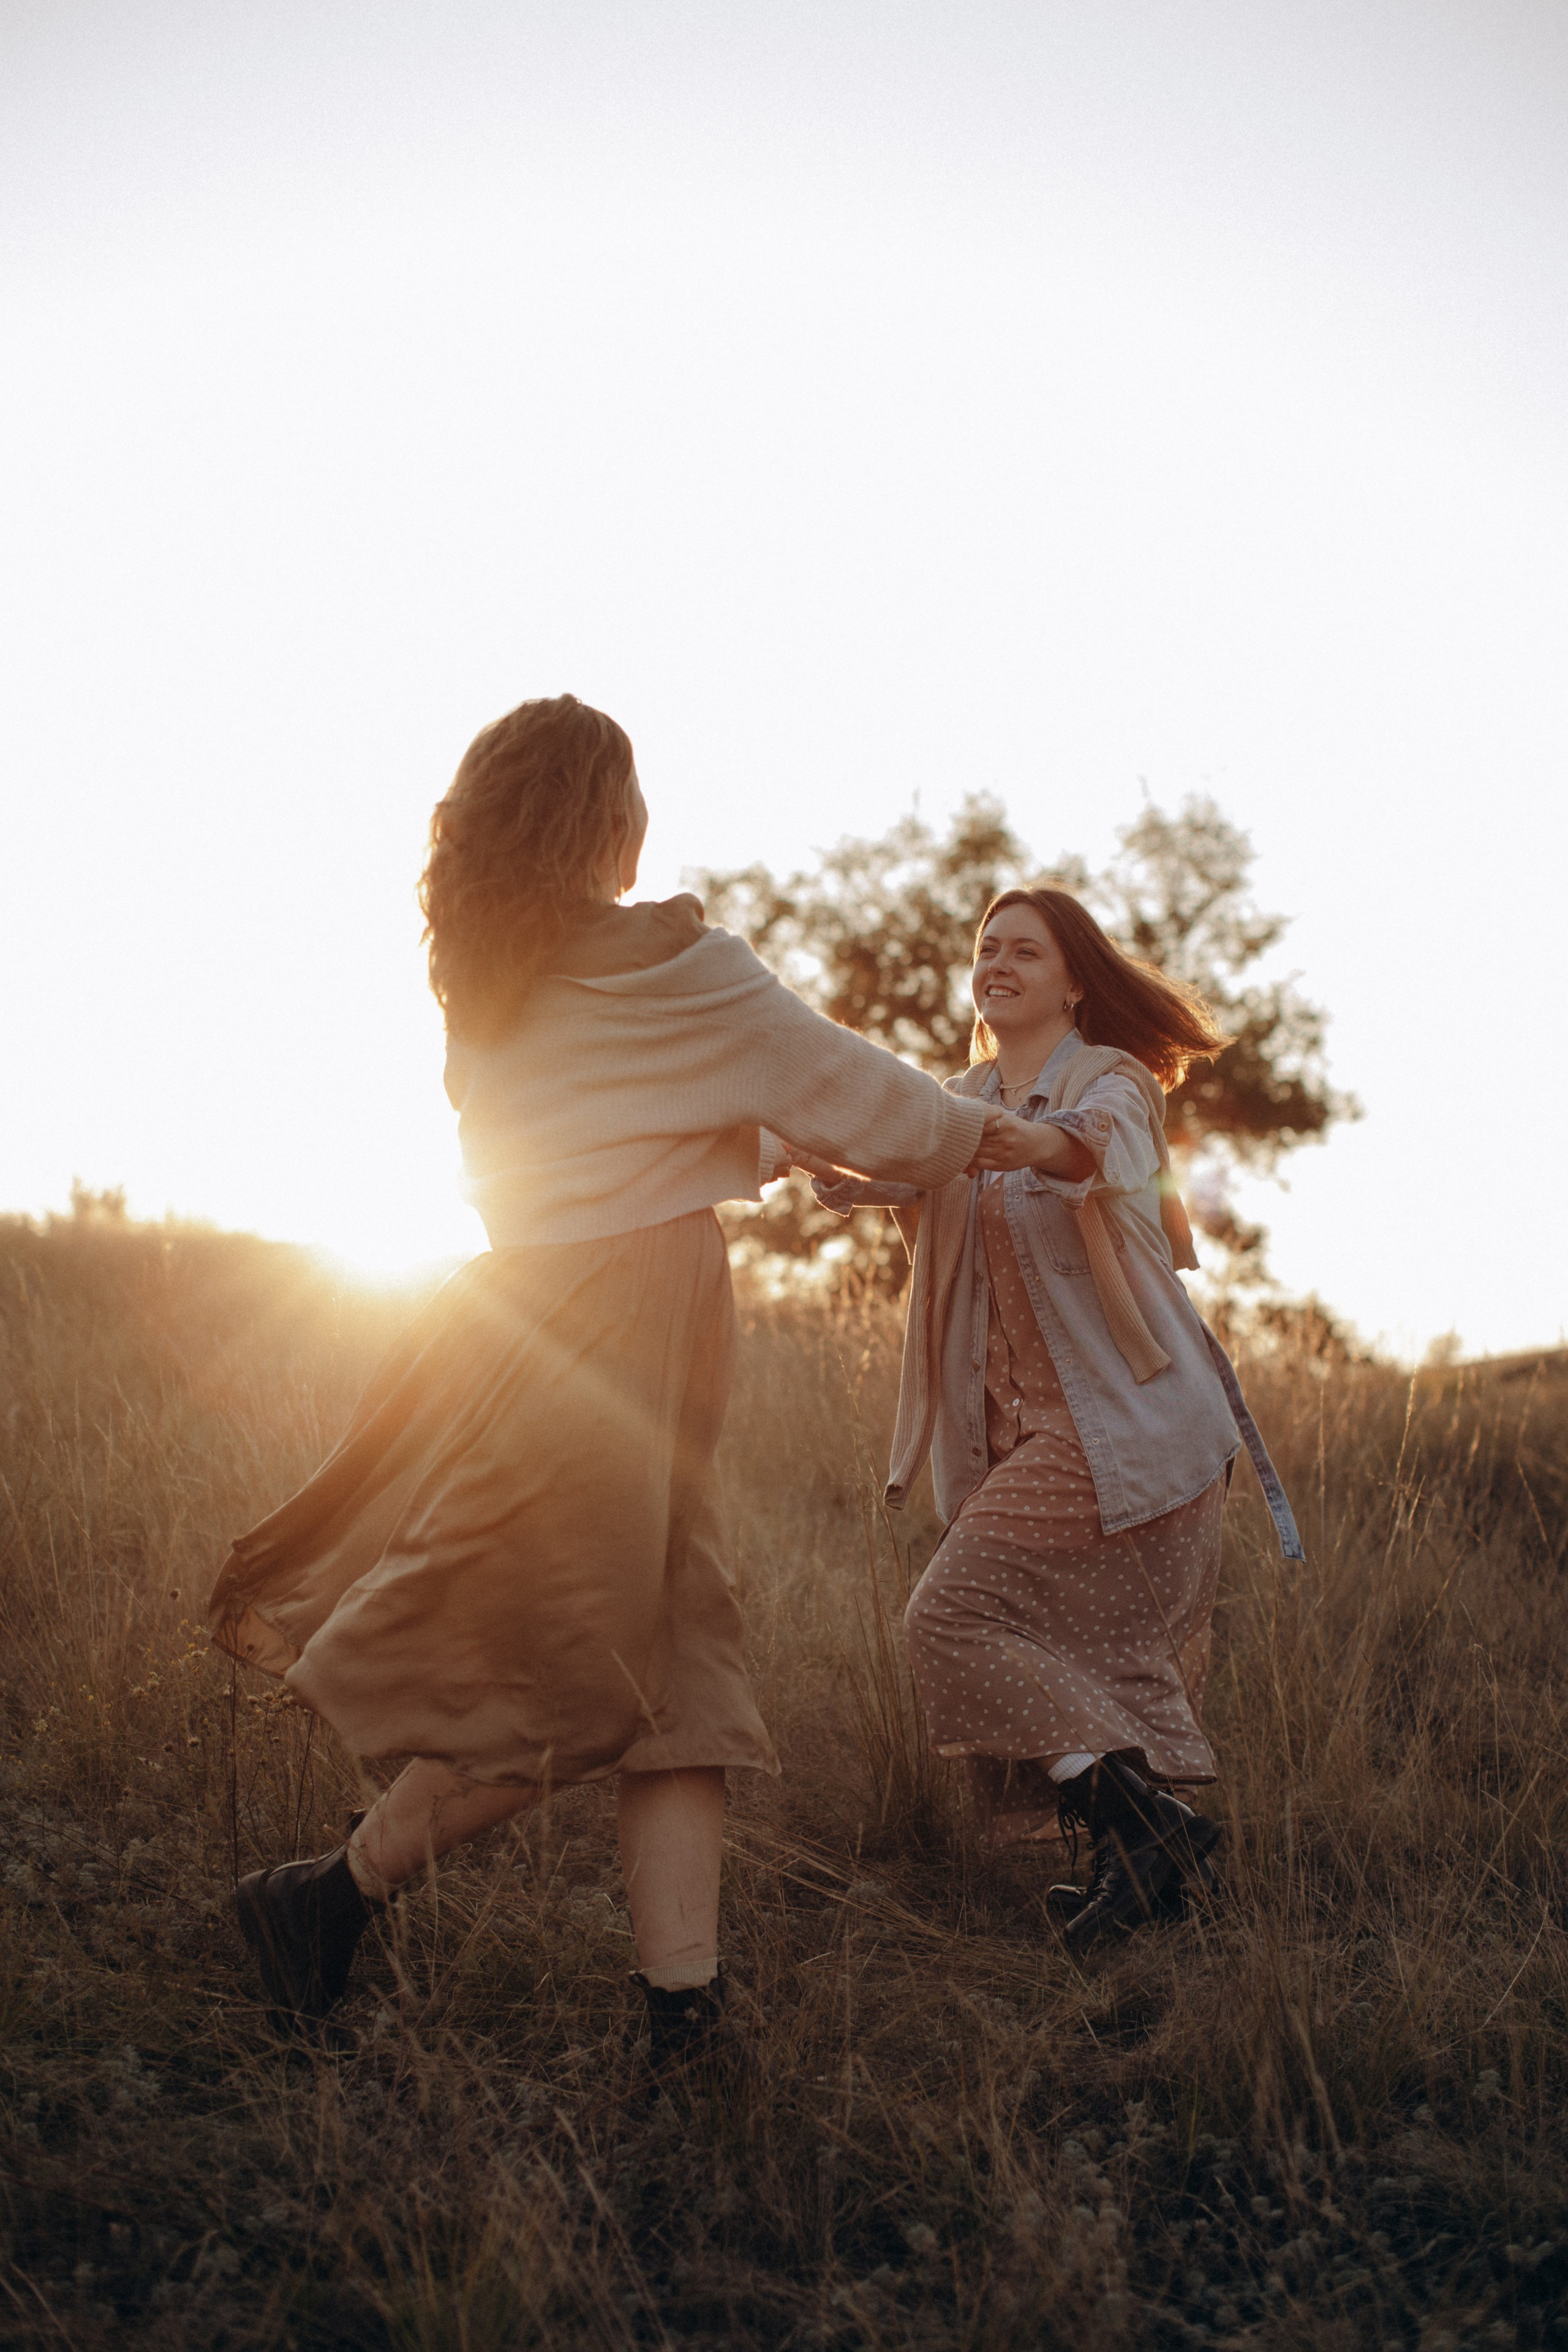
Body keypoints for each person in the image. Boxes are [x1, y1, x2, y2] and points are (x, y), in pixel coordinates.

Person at [209, 694, 1000, 2060]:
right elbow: (896, 1114)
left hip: (544, 1324)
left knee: (675, 1673)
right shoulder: (677, 971)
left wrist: (750, 1148)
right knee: (577, 1678)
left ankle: (680, 2020)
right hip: (613, 1344)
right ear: (612, 824)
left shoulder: (491, 984)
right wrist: (1005, 1138)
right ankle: (320, 1899)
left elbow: (576, 1144)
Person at [807, 886, 1302, 1947]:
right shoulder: (961, 1095)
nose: (997, 962)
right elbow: (904, 1166)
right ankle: (1146, 1851)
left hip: (1125, 1430)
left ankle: (1148, 1836)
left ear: (1074, 979)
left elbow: (1094, 1149)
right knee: (1050, 1643)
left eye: (1024, 950)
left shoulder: (1109, 1081)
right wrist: (828, 1168)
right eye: (986, 947)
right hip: (1025, 1441)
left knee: (951, 1620)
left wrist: (1026, 1144)